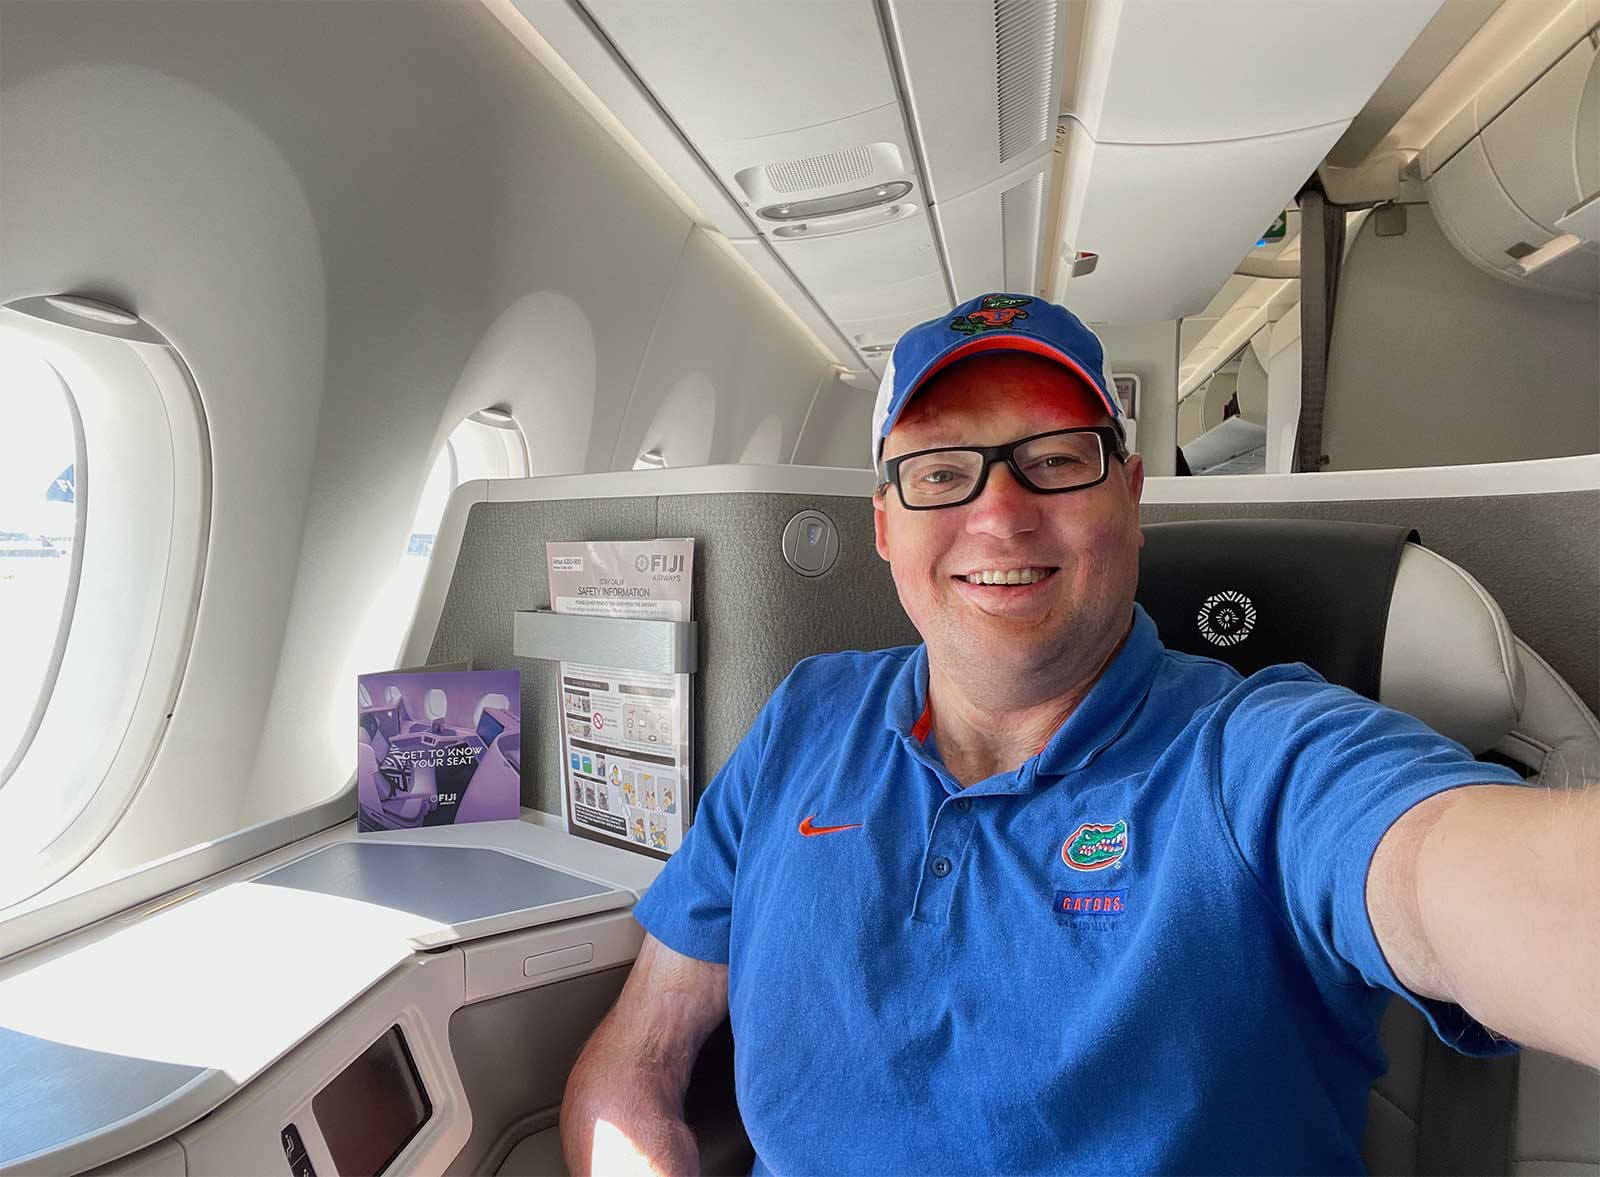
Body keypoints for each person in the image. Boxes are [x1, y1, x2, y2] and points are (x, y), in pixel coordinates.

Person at [561, 293, 1599, 1174]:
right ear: (886, 524)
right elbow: (637, 1058)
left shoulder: (1257, 755)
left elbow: (1454, 875)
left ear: (1130, 498)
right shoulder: (802, 720)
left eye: (1055, 459)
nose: (1000, 515)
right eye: (938, 473)